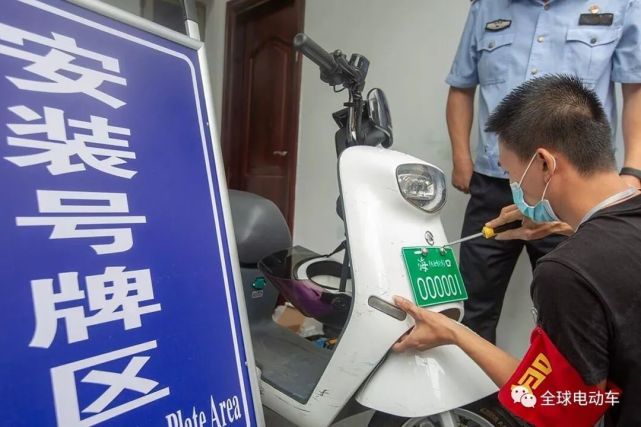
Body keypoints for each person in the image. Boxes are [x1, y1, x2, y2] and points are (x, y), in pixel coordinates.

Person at [394, 75, 640, 426]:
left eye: (512, 175)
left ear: (544, 163)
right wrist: (565, 224)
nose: (514, 188)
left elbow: (561, 410)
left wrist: (455, 333)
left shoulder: (567, 273)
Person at [446, 0, 641, 343]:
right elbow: (461, 87)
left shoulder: (621, 5)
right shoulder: (487, 7)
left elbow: (635, 90)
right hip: (494, 182)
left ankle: (548, 392)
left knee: (569, 303)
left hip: (569, 190)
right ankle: (478, 395)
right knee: (473, 302)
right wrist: (462, 159)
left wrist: (633, 171)